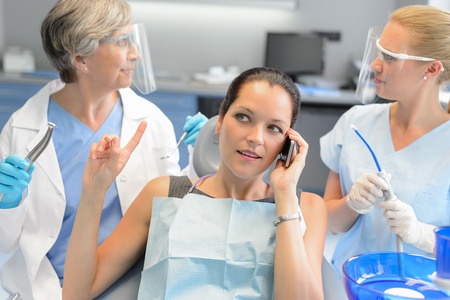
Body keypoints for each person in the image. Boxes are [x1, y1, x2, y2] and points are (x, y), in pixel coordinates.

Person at [0, 0, 207, 298]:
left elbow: (170, 212)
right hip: (46, 286)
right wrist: (7, 204)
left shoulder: (151, 121)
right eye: (122, 42)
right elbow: (5, 247)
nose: (135, 53)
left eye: (132, 40)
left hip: (129, 281)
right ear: (81, 58)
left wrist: (201, 164)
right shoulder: (22, 129)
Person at [63, 67, 327, 299]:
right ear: (220, 121)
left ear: (288, 144)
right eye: (244, 117)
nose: (256, 137)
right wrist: (93, 191)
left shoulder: (307, 208)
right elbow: (78, 293)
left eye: (274, 128)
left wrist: (285, 196)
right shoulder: (164, 194)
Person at [320, 5, 450, 276]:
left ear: (432, 68)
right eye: (379, 51)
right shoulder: (356, 122)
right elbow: (329, 224)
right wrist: (351, 204)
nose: (374, 65)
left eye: (390, 57)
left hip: (422, 290)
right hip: (351, 284)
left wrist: (421, 234)